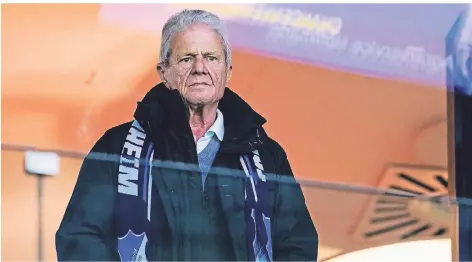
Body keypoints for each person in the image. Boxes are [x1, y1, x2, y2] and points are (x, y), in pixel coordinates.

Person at [56, 9, 318, 261]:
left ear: (227, 72)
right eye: (186, 58)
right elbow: (80, 237)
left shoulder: (266, 153)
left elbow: (298, 244)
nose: (200, 68)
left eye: (211, 57)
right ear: (164, 73)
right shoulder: (116, 146)